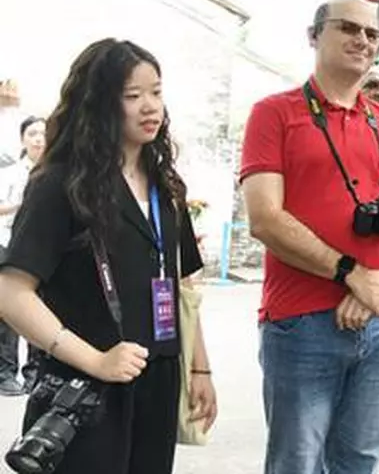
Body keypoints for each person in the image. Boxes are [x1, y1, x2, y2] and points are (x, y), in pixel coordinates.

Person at [0, 39, 217, 473]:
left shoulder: (166, 187)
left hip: (156, 379)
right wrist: (96, 359)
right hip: (82, 389)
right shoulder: (61, 184)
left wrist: (199, 370)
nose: (149, 106)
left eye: (156, 92)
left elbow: (179, 284)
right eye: (132, 96)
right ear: (98, 102)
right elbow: (11, 291)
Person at [240, 0, 379, 474]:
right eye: (349, 28)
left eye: (372, 33)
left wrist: (378, 284)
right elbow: (265, 218)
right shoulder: (273, 113)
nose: (362, 40)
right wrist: (351, 274)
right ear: (314, 35)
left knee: (360, 460)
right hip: (300, 322)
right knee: (297, 463)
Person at [0, 116, 46, 394]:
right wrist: (23, 204)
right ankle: (5, 372)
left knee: (40, 310)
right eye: (32, 133)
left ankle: (35, 372)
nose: (39, 138)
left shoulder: (58, 171)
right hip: (9, 244)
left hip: (44, 248)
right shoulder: (10, 174)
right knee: (8, 312)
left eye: (43, 133)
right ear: (23, 139)